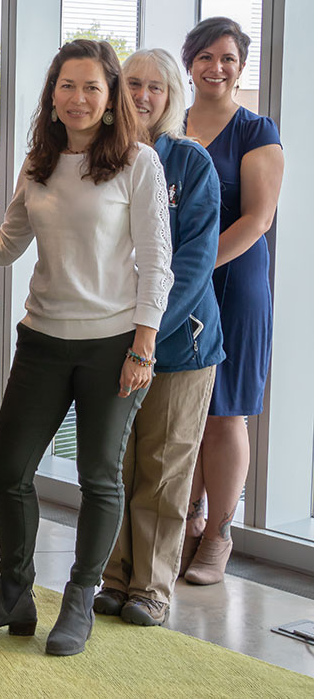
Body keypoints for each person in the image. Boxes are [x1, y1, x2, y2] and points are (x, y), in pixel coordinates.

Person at [0, 39, 173, 657]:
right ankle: (14, 590)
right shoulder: (37, 164)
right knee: (8, 469)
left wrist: (143, 346)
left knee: (98, 476)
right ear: (52, 94)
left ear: (113, 97)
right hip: (42, 338)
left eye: (93, 87)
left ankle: (81, 596)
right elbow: (5, 246)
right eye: (68, 85)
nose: (79, 98)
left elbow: (157, 264)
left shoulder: (139, 164)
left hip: (113, 344)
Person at [96, 48, 224, 626]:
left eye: (156, 87)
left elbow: (194, 266)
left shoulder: (191, 166)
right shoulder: (102, 159)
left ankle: (151, 588)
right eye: (133, 85)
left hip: (177, 345)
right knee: (118, 465)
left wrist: (141, 337)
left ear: (172, 99)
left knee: (164, 468)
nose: (143, 96)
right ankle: (116, 576)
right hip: (108, 340)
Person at [180, 17, 284, 585]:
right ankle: (188, 525)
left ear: (241, 67)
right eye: (205, 56)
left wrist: (193, 269)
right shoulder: (171, 122)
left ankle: (220, 535)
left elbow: (257, 219)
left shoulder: (256, 130)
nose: (216, 68)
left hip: (233, 284)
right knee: (182, 411)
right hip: (176, 290)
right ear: (189, 61)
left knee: (224, 412)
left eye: (228, 58)